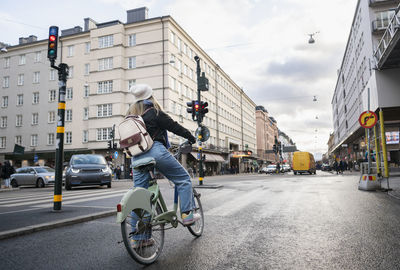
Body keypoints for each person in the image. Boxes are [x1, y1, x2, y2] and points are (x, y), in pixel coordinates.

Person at [127, 84, 198, 227]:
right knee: (184, 179)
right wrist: (191, 137)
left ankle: (138, 239)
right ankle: (187, 215)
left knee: (140, 194)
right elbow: (174, 126)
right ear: (150, 97)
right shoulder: (154, 112)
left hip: (136, 157)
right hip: (155, 151)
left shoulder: (130, 116)